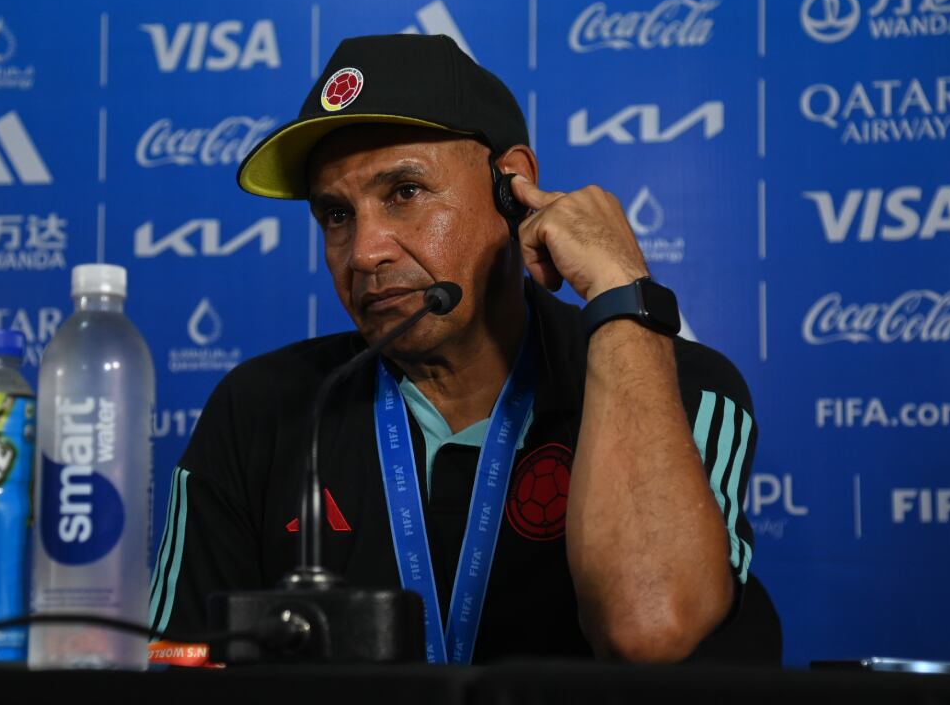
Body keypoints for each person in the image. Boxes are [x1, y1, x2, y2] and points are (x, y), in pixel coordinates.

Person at [150, 34, 779, 664]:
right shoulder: (265, 408)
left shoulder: (679, 385)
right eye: (337, 215)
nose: (365, 251)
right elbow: (177, 671)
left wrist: (620, 295)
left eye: (404, 192)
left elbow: (648, 626)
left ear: (513, 187)